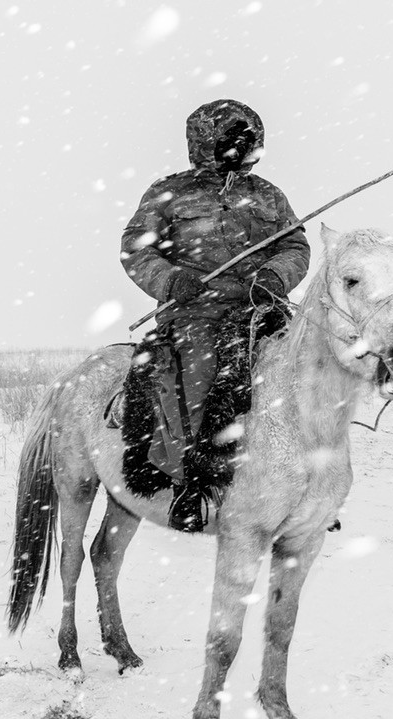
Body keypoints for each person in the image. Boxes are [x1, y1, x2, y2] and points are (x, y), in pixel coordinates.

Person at [120, 99, 310, 531]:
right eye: (230, 140)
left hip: (261, 308)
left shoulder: (268, 194)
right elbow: (136, 248)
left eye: (247, 141)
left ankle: (306, 481)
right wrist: (170, 282)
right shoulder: (169, 193)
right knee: (200, 374)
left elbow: (295, 246)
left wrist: (276, 276)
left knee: (307, 369)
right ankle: (192, 480)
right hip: (194, 312)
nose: (240, 149)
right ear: (206, 142)